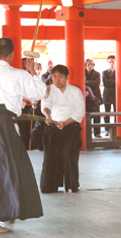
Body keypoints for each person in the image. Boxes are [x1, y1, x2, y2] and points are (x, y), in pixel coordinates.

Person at [0, 37, 46, 234]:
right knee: (4, 168)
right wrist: (32, 72)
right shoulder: (18, 74)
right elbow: (38, 94)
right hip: (4, 123)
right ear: (13, 54)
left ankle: (4, 212)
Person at [40, 64, 85, 194]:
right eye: (54, 76)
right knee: (50, 157)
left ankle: (71, 185)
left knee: (68, 156)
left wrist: (65, 123)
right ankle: (49, 186)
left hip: (70, 127)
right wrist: (48, 116)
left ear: (66, 77)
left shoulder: (75, 91)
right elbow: (45, 105)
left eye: (60, 76)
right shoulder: (49, 89)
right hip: (53, 126)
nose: (57, 79)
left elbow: (79, 112)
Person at [85, 59, 103, 138]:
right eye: (88, 64)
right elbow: (82, 82)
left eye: (91, 64)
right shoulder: (82, 73)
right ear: (85, 65)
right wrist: (89, 83)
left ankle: (97, 133)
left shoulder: (97, 73)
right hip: (86, 98)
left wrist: (87, 82)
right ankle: (86, 133)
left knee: (97, 116)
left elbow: (96, 83)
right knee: (86, 116)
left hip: (95, 97)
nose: (90, 66)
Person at [102, 55, 116, 136]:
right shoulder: (104, 72)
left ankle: (115, 129)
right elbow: (105, 82)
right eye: (110, 62)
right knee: (106, 113)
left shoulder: (118, 71)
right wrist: (114, 82)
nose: (111, 63)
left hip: (115, 95)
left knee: (115, 113)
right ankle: (107, 130)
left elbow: (119, 82)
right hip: (107, 95)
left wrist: (110, 82)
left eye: (113, 61)